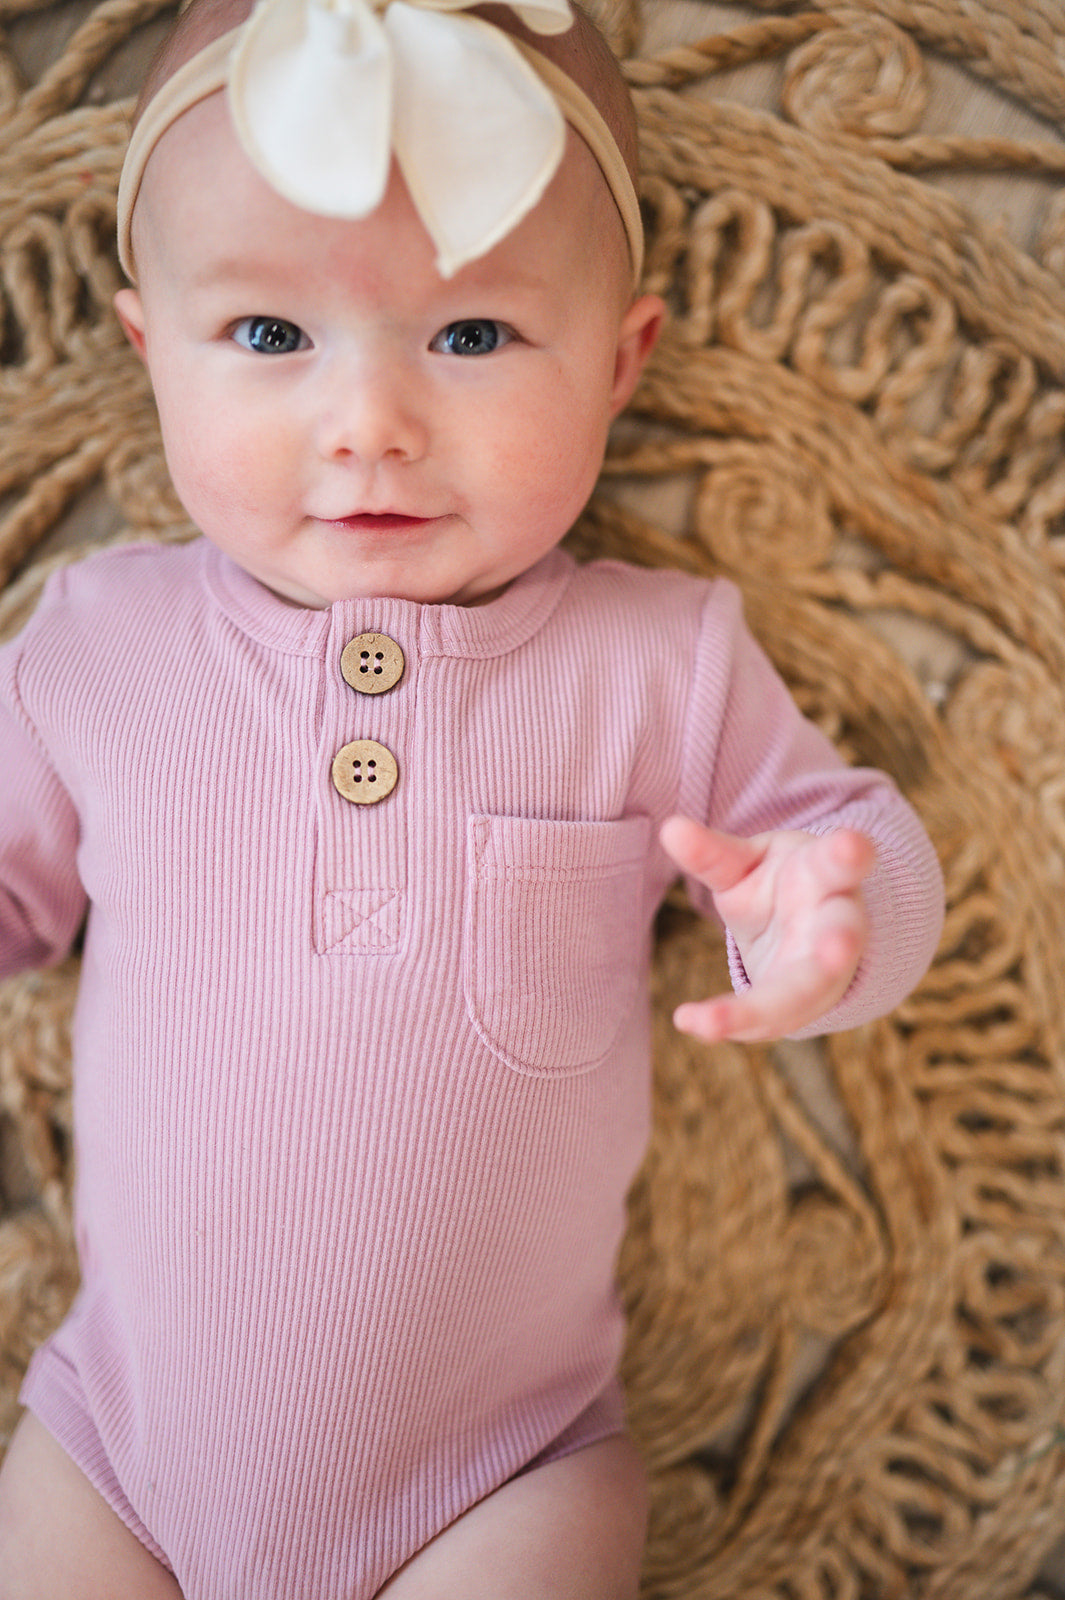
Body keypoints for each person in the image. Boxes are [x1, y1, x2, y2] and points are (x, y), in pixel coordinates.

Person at [0, 0, 945, 1594]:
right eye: (270, 339)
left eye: (471, 336)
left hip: (503, 1483)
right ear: (151, 349)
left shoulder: (660, 659)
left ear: (621, 361)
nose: (369, 420)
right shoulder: (99, 645)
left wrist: (829, 911)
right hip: (117, 1459)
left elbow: (832, 839)